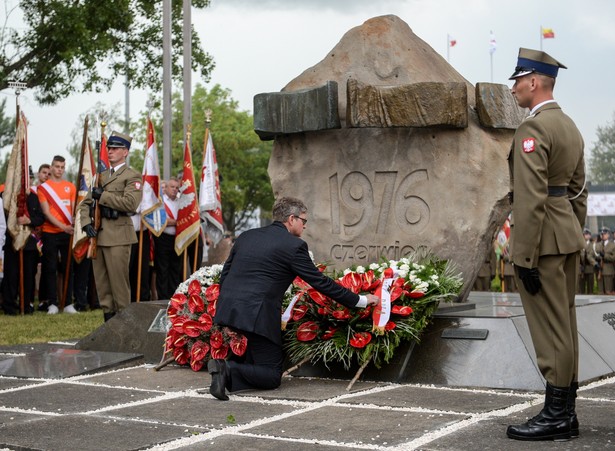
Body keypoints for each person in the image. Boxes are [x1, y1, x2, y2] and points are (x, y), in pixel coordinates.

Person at [208, 197, 380, 401]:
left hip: (233, 308)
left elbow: (226, 275)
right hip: (258, 315)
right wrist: (360, 300)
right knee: (272, 377)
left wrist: (227, 316)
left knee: (257, 363)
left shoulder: (246, 236)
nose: (305, 226)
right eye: (303, 221)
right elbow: (320, 282)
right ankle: (225, 368)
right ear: (291, 219)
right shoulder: (294, 246)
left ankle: (225, 375)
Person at [506, 48, 587, 441]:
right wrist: (573, 230)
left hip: (542, 243)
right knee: (566, 325)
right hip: (565, 236)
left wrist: (523, 255)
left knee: (550, 330)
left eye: (518, 80)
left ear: (534, 82)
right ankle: (565, 413)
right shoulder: (570, 126)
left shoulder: (532, 130)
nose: (514, 87)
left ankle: (556, 416)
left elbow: (530, 197)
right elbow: (579, 193)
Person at [78, 131, 142, 321]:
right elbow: (84, 205)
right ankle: (108, 327)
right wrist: (86, 223)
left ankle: (125, 327)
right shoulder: (101, 176)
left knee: (119, 288)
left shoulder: (132, 176)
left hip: (119, 237)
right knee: (103, 287)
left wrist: (103, 196)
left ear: (126, 152)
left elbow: (130, 203)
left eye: (116, 148)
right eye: (109, 148)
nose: (111, 151)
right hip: (99, 235)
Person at [37, 155, 77, 314]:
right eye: (57, 166)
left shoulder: (71, 187)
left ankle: (67, 303)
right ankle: (52, 303)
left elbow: (73, 210)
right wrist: (63, 227)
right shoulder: (43, 188)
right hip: (50, 232)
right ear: (51, 168)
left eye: (62, 167)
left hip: (67, 233)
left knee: (68, 267)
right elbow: (46, 213)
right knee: (50, 267)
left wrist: (71, 225)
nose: (59, 169)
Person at [1, 183, 45, 315]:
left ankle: (26, 305)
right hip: (12, 242)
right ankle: (9, 306)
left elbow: (40, 218)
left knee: (28, 276)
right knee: (11, 276)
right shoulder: (7, 196)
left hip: (29, 244)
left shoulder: (33, 197)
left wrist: (29, 220)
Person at [153, 177, 181, 300]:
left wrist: (175, 222)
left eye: (177, 188)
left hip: (177, 239)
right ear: (166, 188)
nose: (174, 190)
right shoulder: (160, 202)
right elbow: (161, 221)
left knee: (175, 269)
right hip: (163, 239)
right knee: (163, 269)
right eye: (172, 187)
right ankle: (163, 298)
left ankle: (174, 297)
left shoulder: (181, 202)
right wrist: (177, 222)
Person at [596, 227, 615, 294]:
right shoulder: (598, 244)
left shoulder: (613, 245)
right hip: (599, 270)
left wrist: (605, 256)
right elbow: (595, 254)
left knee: (608, 291)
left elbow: (613, 257)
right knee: (600, 292)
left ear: (608, 235)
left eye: (605, 234)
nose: (603, 235)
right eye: (602, 234)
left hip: (608, 269)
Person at [579, 229, 596, 294]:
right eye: (584, 234)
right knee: (581, 287)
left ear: (589, 235)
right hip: (581, 268)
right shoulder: (580, 244)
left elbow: (592, 254)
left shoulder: (592, 245)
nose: (585, 236)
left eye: (587, 234)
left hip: (589, 267)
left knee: (590, 286)